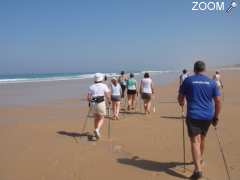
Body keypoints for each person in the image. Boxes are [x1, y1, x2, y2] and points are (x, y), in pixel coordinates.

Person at [178, 61, 221, 179]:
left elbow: (180, 97)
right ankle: (199, 159)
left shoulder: (188, 80)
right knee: (202, 138)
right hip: (207, 116)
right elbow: (217, 101)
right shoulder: (212, 82)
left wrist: (181, 103)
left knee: (195, 141)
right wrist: (216, 116)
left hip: (194, 115)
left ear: (194, 69)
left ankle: (197, 170)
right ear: (204, 69)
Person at [87, 73, 111, 140]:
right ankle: (97, 130)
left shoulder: (91, 86)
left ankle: (96, 131)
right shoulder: (104, 86)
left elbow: (88, 98)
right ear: (101, 79)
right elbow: (107, 95)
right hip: (101, 102)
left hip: (93, 103)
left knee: (96, 118)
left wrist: (92, 101)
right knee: (102, 117)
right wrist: (109, 101)